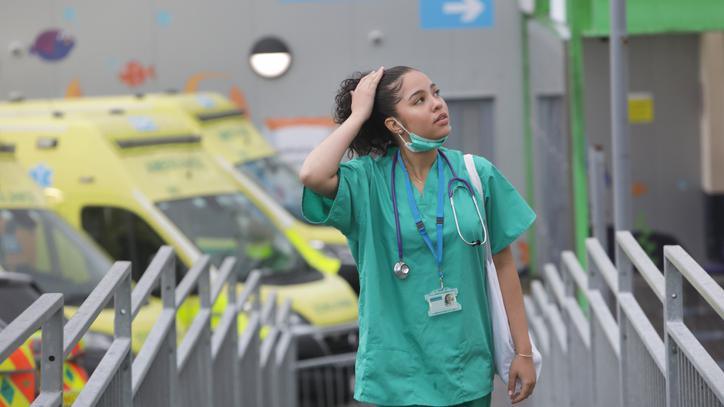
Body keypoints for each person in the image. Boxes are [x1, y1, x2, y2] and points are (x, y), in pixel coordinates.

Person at [299, 66, 537, 406]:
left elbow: (504, 266)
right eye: (420, 100)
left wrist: (523, 353)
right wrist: (358, 116)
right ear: (394, 125)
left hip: (464, 368)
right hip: (395, 376)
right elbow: (311, 173)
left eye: (436, 93)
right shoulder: (367, 181)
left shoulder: (475, 174)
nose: (438, 104)